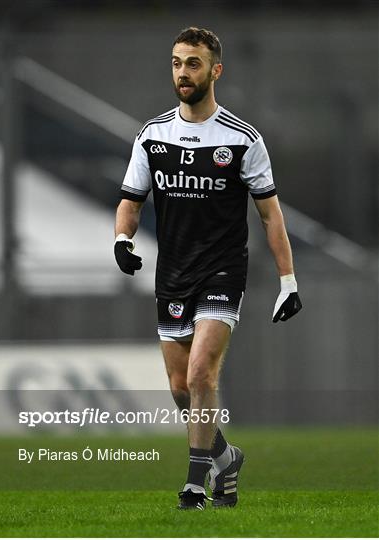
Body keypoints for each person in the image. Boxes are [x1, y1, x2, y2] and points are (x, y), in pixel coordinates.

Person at [114, 27, 302, 510]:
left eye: (193, 63)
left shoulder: (242, 140)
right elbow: (130, 201)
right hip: (172, 273)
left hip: (222, 271)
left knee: (201, 373)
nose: (183, 72)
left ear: (215, 70)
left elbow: (269, 214)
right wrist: (121, 238)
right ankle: (226, 456)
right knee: (181, 389)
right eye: (177, 63)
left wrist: (288, 281)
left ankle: (195, 485)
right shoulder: (152, 135)